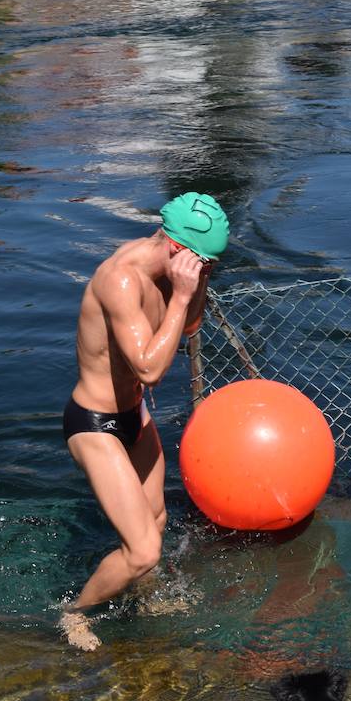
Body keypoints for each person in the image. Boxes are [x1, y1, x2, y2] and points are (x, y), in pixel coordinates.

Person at [59, 191, 229, 651]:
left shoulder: (178, 272)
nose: (204, 272)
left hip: (134, 415)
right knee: (143, 550)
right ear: (175, 247)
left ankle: (145, 598)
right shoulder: (120, 279)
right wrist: (182, 295)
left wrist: (195, 284)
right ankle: (73, 613)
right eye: (202, 263)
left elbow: (189, 326)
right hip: (94, 423)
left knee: (155, 522)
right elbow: (150, 369)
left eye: (210, 266)